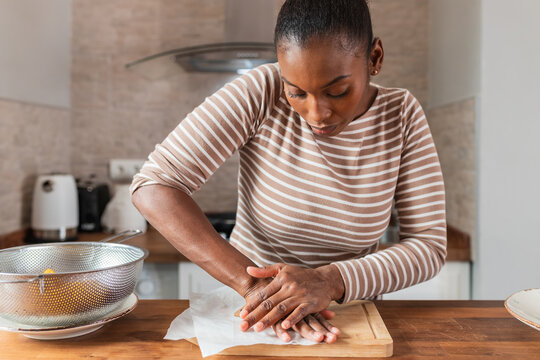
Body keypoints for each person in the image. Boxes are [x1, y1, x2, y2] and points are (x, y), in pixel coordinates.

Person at [131, 0, 446, 344]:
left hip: (351, 320)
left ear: (374, 58)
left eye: (337, 91)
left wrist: (329, 280)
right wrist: (256, 288)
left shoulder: (401, 114)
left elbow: (429, 246)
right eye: (296, 92)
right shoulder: (263, 90)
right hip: (255, 315)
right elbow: (154, 186)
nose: (316, 113)